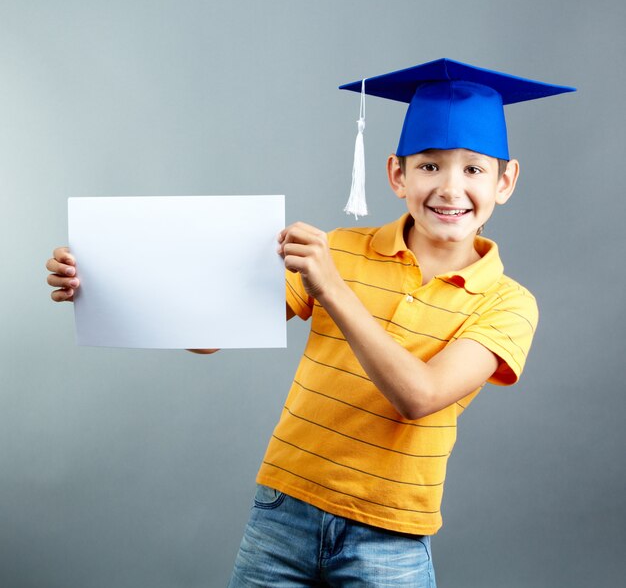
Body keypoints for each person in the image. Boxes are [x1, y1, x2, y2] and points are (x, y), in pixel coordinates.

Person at [46, 58, 575, 587]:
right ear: (398, 174)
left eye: (475, 169)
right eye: (430, 166)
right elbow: (211, 334)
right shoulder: (339, 251)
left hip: (389, 533)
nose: (450, 189)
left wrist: (332, 289)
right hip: (284, 509)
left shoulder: (508, 303)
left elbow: (420, 395)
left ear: (506, 181)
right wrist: (108, 284)